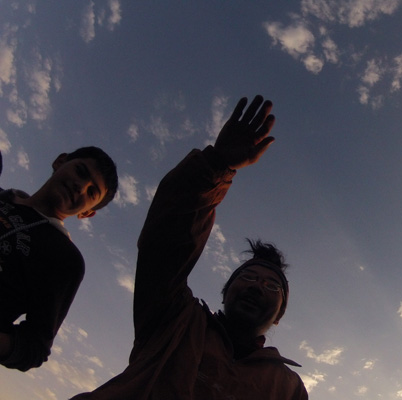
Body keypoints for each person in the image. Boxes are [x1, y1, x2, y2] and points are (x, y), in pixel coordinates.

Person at [71, 95, 308, 399]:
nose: (256, 286)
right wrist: (217, 164)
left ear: (279, 315)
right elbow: (166, 240)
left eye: (272, 286)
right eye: (248, 277)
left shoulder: (288, 389)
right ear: (225, 292)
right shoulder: (174, 316)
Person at [0, 146, 119, 371]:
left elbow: (34, 346)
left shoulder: (64, 258)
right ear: (60, 161)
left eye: (92, 192)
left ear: (87, 213)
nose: (80, 187)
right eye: (81, 172)